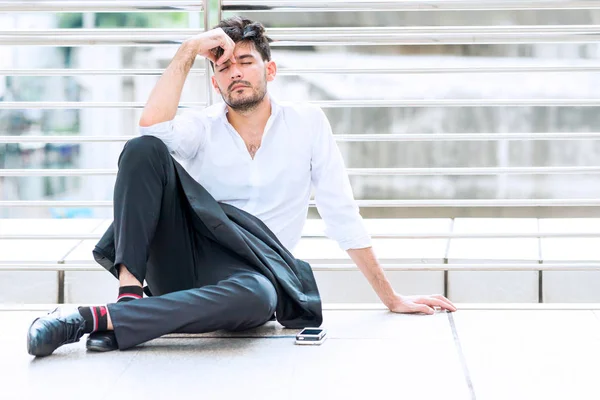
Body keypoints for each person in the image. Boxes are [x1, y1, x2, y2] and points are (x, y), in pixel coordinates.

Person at [26, 17, 457, 357]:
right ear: (215, 82)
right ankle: (126, 299)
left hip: (250, 272)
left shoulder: (307, 124)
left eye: (245, 61)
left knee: (259, 296)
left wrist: (391, 297)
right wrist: (189, 50)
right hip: (184, 257)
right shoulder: (203, 126)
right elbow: (152, 127)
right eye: (223, 65)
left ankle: (93, 319)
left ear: (269, 69)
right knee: (145, 148)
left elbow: (340, 213)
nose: (235, 72)